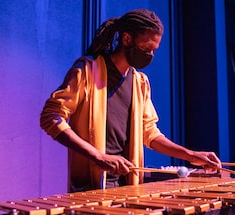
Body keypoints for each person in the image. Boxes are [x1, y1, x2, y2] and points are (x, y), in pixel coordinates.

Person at [40, 8, 221, 192]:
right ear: (127, 39)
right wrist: (98, 156)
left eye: (153, 50)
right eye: (146, 48)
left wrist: (190, 155)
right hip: (90, 189)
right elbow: (51, 117)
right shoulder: (87, 71)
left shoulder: (139, 83)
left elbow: (149, 133)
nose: (150, 55)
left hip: (127, 187)